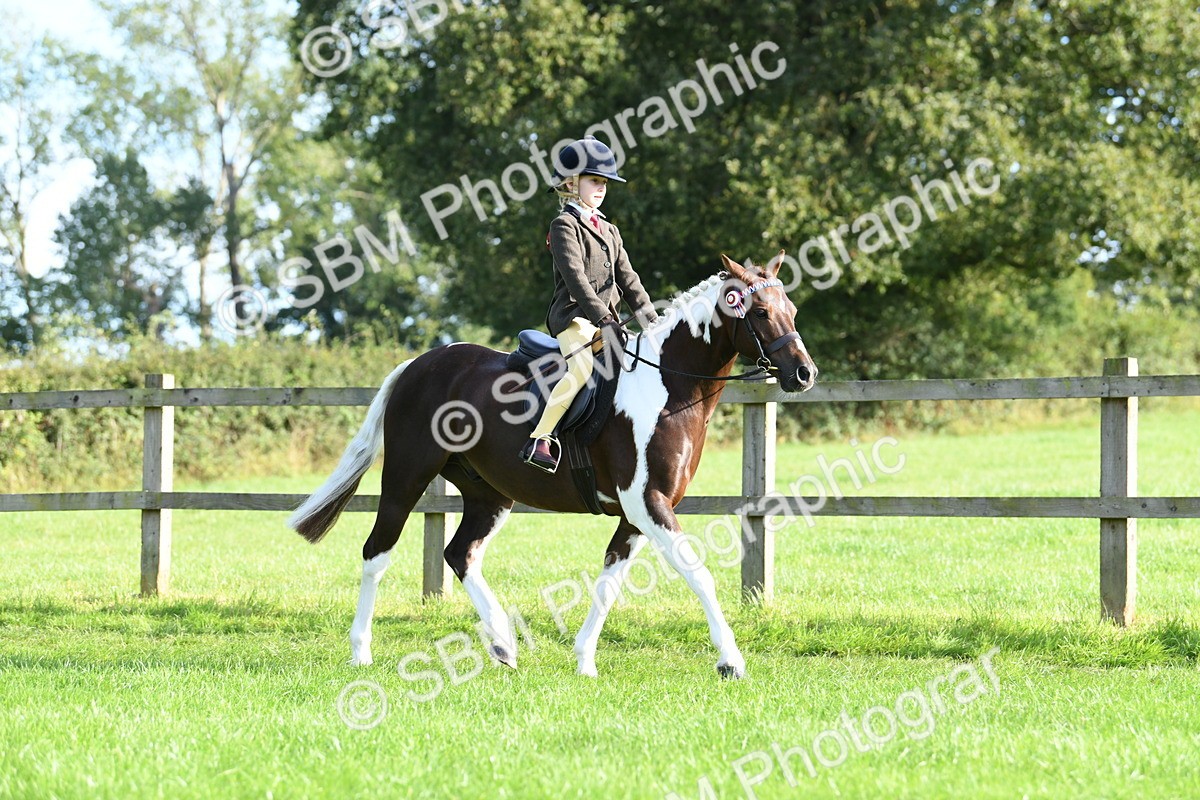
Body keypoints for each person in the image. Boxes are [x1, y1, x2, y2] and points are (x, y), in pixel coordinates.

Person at [519, 136, 658, 473]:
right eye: (594, 180)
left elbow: (629, 280)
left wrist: (653, 320)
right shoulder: (563, 226)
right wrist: (602, 317)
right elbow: (576, 279)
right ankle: (540, 438)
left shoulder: (611, 230)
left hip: (609, 323)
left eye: (604, 183)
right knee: (580, 369)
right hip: (575, 319)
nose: (601, 188)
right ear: (571, 183)